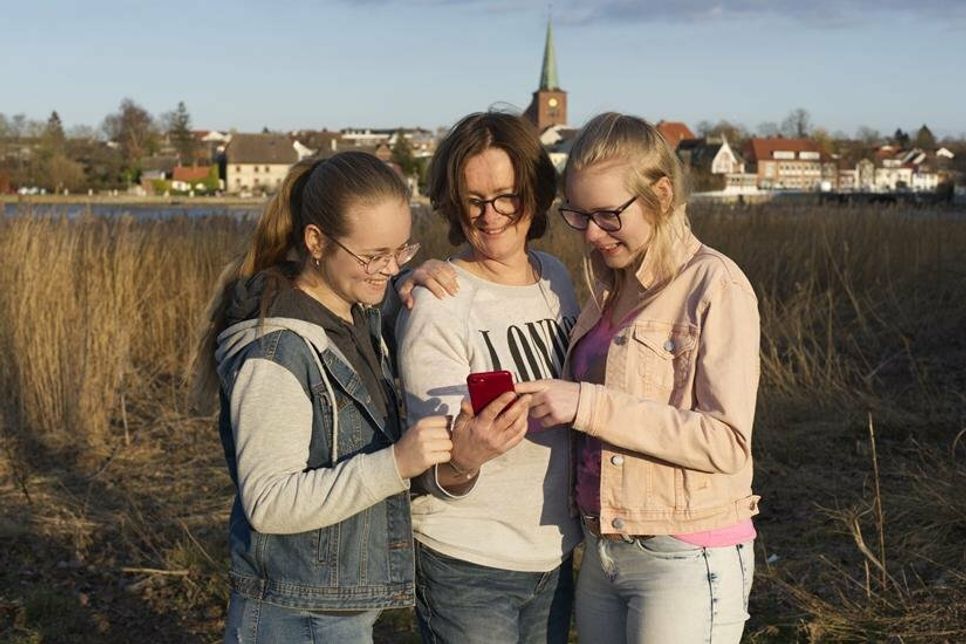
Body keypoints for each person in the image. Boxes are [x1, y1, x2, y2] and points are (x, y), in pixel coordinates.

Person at [191, 151, 526, 643]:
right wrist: (395, 463)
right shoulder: (275, 349)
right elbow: (267, 502)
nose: (389, 270)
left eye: (400, 251)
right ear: (316, 242)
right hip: (292, 613)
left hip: (335, 611)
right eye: (373, 256)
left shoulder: (358, 318)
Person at [516, 112, 761, 643]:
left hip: (685, 553)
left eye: (608, 215)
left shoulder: (715, 285)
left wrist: (587, 404)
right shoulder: (606, 287)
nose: (593, 235)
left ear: (662, 194)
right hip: (603, 550)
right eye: (577, 216)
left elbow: (726, 443)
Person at [394, 111, 582, 643]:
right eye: (474, 200)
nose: (491, 215)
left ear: (536, 193)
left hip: (553, 551)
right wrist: (465, 457)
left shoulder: (558, 279)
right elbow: (428, 466)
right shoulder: (440, 297)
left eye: (507, 195)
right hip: (467, 561)